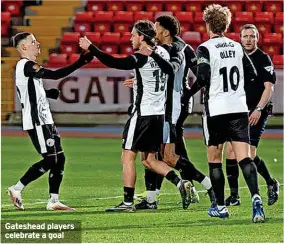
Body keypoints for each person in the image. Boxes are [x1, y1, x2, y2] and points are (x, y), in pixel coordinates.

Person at [79, 20, 192, 212]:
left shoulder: (140, 56)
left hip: (142, 115)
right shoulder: (162, 53)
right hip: (158, 114)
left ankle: (127, 203)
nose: (130, 38)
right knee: (149, 160)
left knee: (127, 157)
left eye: (133, 35)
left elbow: (114, 62)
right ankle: (180, 182)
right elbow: (168, 71)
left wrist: (92, 48)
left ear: (141, 37)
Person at [185, 4, 265, 222]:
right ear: (227, 24)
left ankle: (220, 206)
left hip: (216, 110)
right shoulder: (238, 47)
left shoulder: (204, 48)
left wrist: (187, 94)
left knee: (214, 160)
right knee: (245, 158)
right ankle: (256, 197)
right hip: (238, 109)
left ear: (208, 24)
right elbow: (252, 73)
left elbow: (202, 77)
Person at [132, 15, 216, 210]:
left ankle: (207, 187)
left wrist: (186, 93)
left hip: (170, 108)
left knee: (166, 156)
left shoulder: (177, 49)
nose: (154, 31)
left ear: (166, 32)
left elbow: (201, 76)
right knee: (159, 153)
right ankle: (154, 198)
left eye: (156, 28)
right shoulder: (179, 48)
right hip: (167, 107)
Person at [7, 32, 93, 211]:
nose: (37, 43)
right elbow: (54, 75)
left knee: (59, 158)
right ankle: (17, 189)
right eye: (33, 42)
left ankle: (54, 200)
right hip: (37, 120)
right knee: (50, 159)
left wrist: (47, 94)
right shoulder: (25, 65)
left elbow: (30, 90)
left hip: (46, 120)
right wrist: (81, 62)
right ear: (23, 47)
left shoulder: (28, 68)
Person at [225, 24, 279, 206]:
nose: (248, 39)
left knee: (248, 154)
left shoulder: (263, 59)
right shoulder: (236, 57)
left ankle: (271, 182)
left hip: (257, 112)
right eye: (245, 36)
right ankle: (234, 196)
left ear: (257, 38)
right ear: (240, 38)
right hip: (238, 111)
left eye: (252, 36)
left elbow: (269, 87)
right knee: (230, 152)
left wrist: (258, 109)